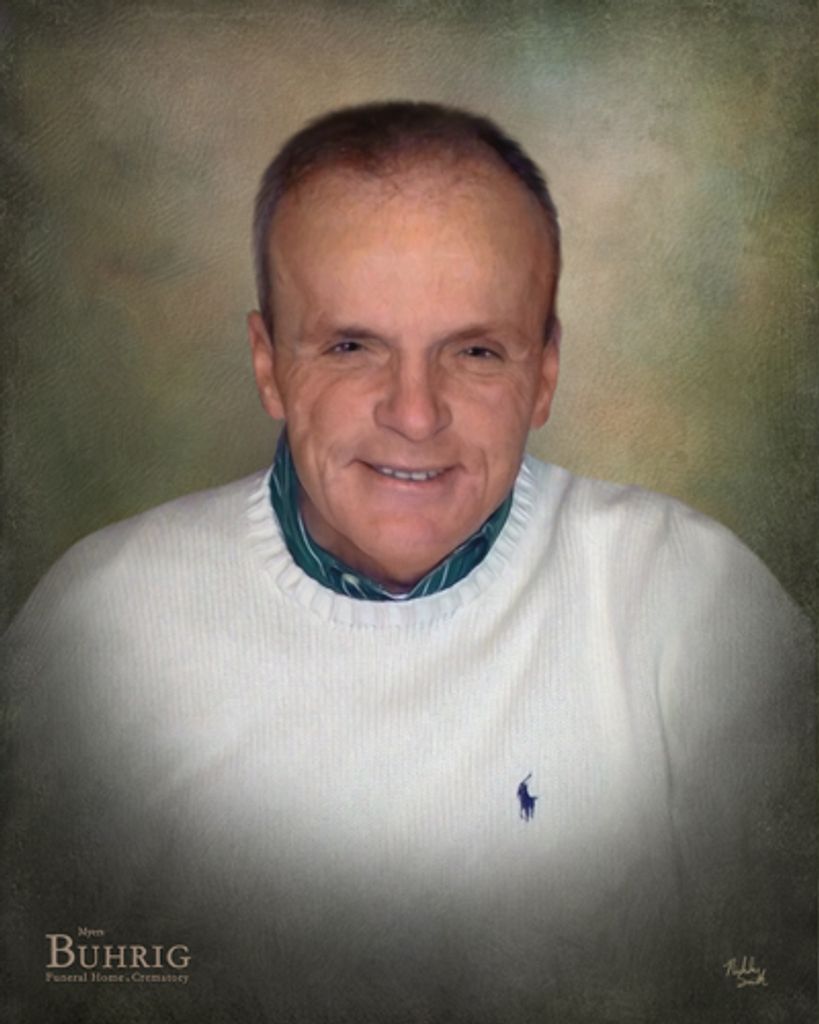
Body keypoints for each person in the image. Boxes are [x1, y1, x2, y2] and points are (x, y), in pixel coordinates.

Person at [2, 101, 814, 1024]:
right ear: (268, 366)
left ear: (544, 373)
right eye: (352, 347)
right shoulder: (100, 624)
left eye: (475, 351)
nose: (415, 415)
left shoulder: (694, 606)